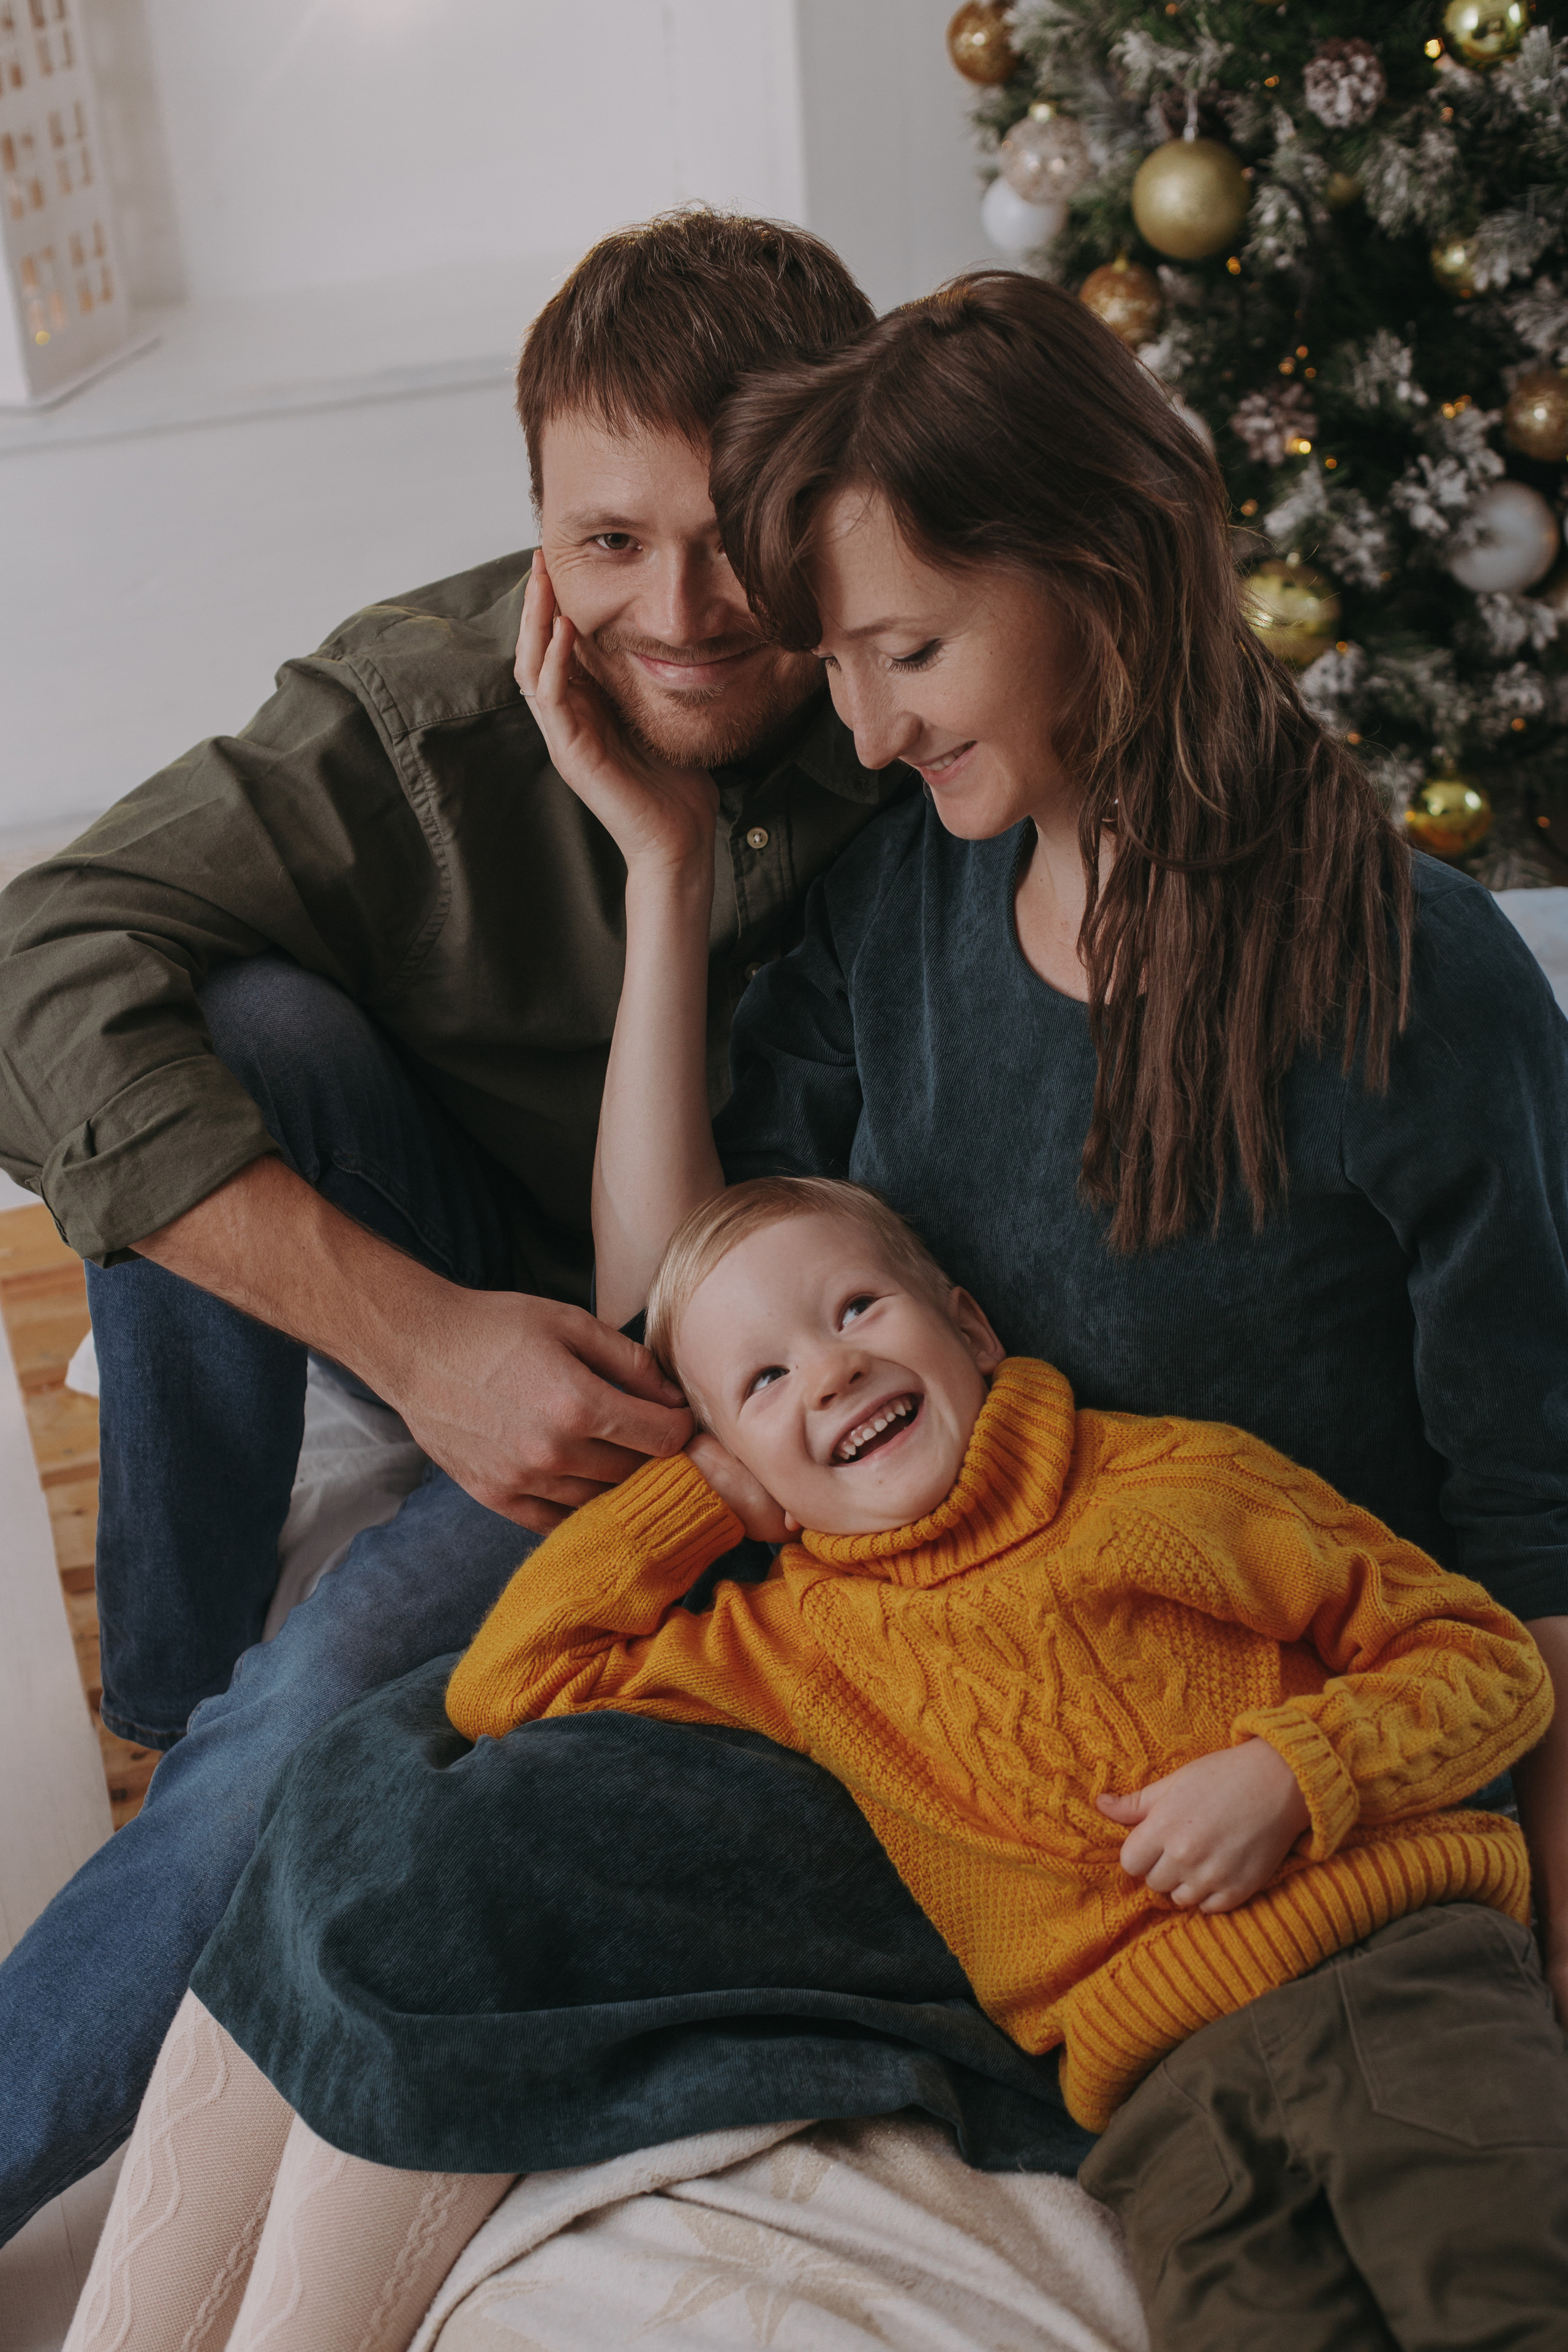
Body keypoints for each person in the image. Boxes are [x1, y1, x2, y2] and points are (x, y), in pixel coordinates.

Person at [165, 268, 1568, 2225]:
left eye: (908, 652)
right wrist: (666, 868)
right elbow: (673, 1299)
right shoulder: (914, 898)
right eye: (837, 661)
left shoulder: (1415, 981)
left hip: (1169, 1800)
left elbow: (1535, 1531)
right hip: (897, 1676)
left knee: (434, 1879)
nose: (866, 726)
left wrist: (1532, 1993)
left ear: (1103, 578)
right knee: (355, 1791)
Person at [0, 207, 905, 2247]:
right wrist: (421, 1346)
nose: (677, 613)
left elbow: (706, 1324)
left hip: (735, 1378)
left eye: (737, 538)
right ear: (538, 528)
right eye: (607, 543)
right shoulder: (432, 710)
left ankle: (240, 1744)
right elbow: (31, 966)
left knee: (324, 1700)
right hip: (485, 1251)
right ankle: (177, 1691)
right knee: (231, 1020)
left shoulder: (924, 713)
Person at [65, 1176, 1567, 2351]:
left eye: (856, 1309)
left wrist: (1298, 1771)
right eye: (763, 1381)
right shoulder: (792, 1645)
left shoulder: (1168, 1484)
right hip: (1160, 2108)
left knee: (1497, 2296)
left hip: (1385, 1977)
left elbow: (1485, 1658)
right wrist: (700, 1500)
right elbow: (512, 1683)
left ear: (968, 1326)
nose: (833, 1370)